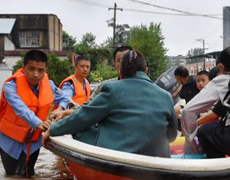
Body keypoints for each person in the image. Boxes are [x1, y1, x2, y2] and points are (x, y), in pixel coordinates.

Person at [44, 50, 177, 157]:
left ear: (121, 72)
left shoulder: (112, 89)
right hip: (158, 160)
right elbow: (172, 135)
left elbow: (83, 116)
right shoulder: (166, 96)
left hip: (119, 157)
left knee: (80, 127)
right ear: (146, 71)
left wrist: (53, 129)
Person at [0, 49, 70, 178]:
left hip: (33, 142)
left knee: (28, 175)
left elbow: (64, 99)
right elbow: (21, 109)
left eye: (40, 70)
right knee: (12, 176)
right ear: (24, 68)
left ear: (45, 70)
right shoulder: (10, 86)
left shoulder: (50, 85)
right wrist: (38, 123)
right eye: (31, 69)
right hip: (10, 140)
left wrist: (60, 109)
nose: (35, 74)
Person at [180, 46, 230, 150]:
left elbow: (187, 111)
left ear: (221, 66)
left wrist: (190, 140)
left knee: (204, 131)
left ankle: (216, 163)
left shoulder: (222, 81)